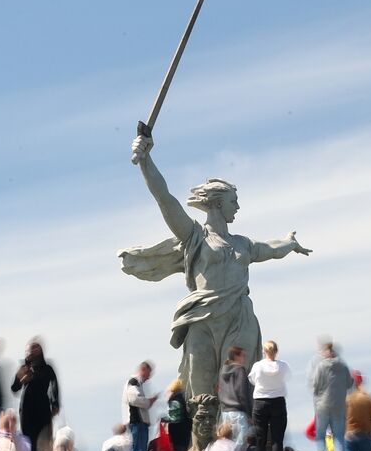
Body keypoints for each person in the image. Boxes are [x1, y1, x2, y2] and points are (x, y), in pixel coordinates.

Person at [122, 131, 311, 405]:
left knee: (234, 393)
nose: (238, 207)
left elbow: (271, 249)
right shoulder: (194, 237)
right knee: (201, 396)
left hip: (239, 318)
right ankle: (201, 447)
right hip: (203, 319)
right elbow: (165, 199)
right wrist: (146, 161)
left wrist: (289, 243)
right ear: (219, 203)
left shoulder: (243, 244)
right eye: (234, 201)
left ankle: (239, 441)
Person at [11, 339, 60, 451]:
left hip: (42, 408)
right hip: (27, 408)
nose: (29, 353)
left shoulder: (47, 368)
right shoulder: (24, 368)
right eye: (28, 351)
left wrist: (55, 403)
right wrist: (22, 379)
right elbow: (14, 388)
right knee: (28, 439)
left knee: (43, 440)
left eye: (33, 350)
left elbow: (54, 385)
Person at [310, 340, 352, 451]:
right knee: (339, 439)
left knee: (320, 436)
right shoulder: (343, 366)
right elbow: (349, 383)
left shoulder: (321, 366)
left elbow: (315, 385)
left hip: (322, 406)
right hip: (339, 406)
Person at [249, 340, 291, 451]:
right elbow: (287, 377)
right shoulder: (283, 366)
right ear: (276, 352)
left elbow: (252, 380)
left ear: (264, 351)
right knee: (277, 438)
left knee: (260, 437)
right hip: (278, 400)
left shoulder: (258, 366)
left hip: (260, 401)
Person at [123, 361, 158, 451]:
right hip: (137, 422)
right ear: (143, 370)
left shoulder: (138, 383)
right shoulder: (134, 382)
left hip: (139, 422)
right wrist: (149, 401)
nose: (150, 376)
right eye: (149, 372)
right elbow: (134, 398)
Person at [218, 346, 252, 445]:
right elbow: (241, 392)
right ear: (236, 356)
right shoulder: (240, 370)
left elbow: (220, 390)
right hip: (238, 412)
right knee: (240, 447)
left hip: (225, 412)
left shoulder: (222, 370)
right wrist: (249, 413)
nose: (244, 358)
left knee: (227, 444)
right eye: (243, 356)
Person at [164, 377, 192, 451]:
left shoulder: (175, 401)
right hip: (185, 433)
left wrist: (163, 418)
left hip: (178, 434)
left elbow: (174, 418)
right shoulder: (182, 399)